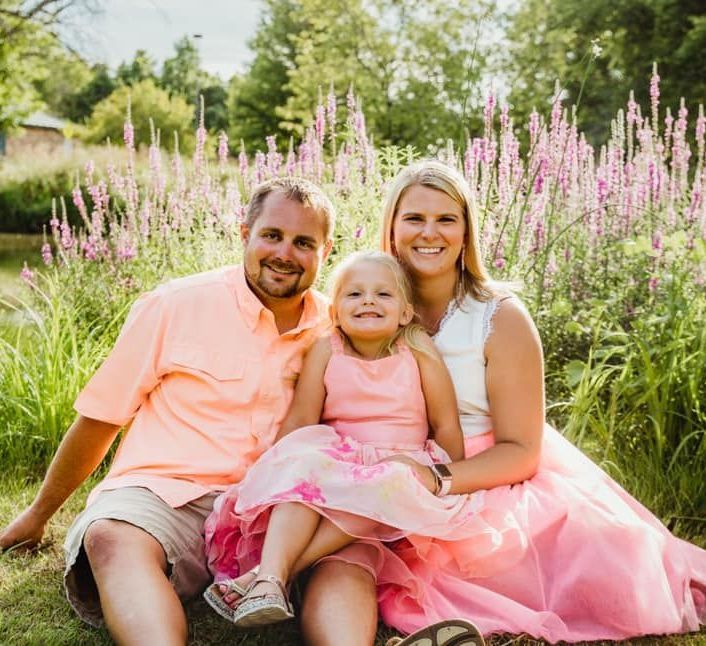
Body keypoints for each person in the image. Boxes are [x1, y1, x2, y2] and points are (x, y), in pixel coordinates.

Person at [300, 160, 706, 645]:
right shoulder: (362, 301)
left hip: (477, 476)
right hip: (378, 468)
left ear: (467, 231)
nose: (430, 233)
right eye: (414, 219)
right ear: (391, 226)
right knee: (346, 561)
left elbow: (520, 449)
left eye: (446, 219)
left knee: (572, 558)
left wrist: (434, 481)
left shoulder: (499, 317)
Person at [0, 176, 336, 646]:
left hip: (273, 506)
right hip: (164, 495)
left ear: (326, 250)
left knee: (347, 552)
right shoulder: (176, 304)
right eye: (272, 235)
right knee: (111, 537)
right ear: (245, 233)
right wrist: (38, 514)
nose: (285, 253)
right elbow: (102, 415)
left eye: (304, 242)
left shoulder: (337, 327)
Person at [202, 251, 485, 633]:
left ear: (405, 312)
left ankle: (267, 576)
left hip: (399, 465)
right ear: (335, 312)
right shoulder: (327, 347)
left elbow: (445, 421)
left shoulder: (415, 346)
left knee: (388, 479)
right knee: (303, 468)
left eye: (383, 295)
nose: (368, 300)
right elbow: (302, 417)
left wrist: (451, 477)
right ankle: (269, 578)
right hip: (340, 457)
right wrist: (275, 471)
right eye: (354, 294)